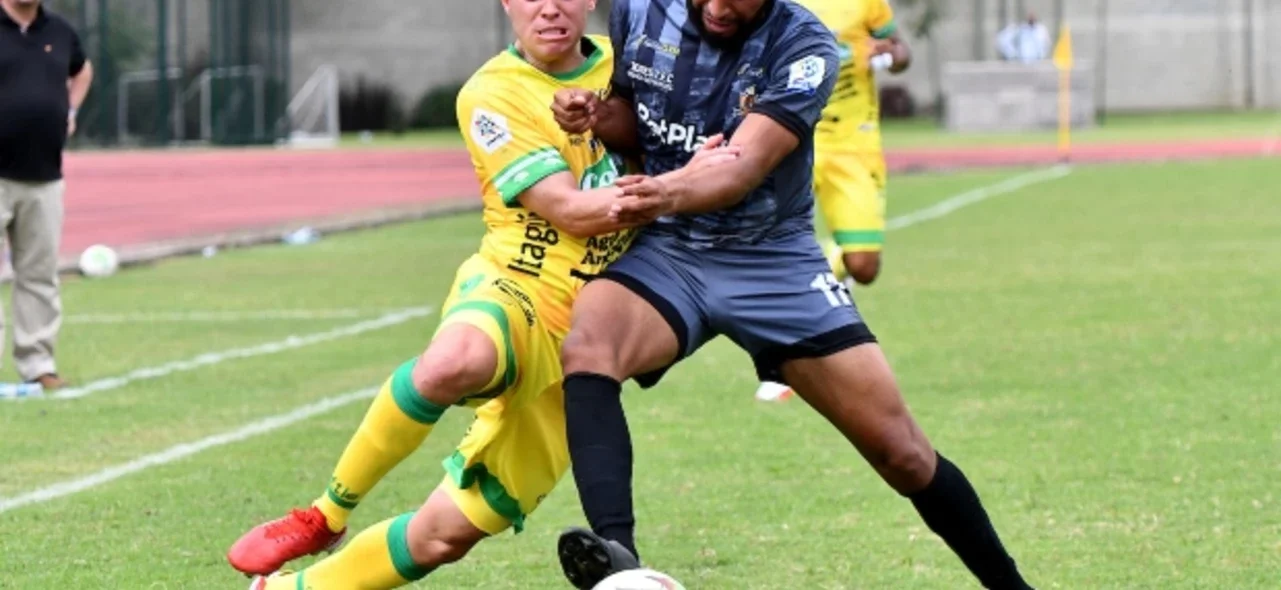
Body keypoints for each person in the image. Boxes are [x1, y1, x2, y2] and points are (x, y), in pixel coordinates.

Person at [227, 1, 737, 588]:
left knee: (442, 537)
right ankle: (324, 515)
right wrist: (681, 183)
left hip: (589, 343)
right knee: (455, 361)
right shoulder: (491, 94)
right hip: (514, 286)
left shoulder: (636, 67)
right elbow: (571, 211)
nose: (550, 8)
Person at [548, 1, 1035, 589]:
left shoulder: (805, 44)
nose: (722, 9)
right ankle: (619, 563)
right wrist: (599, 115)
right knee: (590, 342)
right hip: (673, 252)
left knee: (901, 453)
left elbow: (742, 167)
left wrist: (663, 190)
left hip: (772, 260)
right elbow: (636, 115)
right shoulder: (638, 11)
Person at [753, 0, 911, 403]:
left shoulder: (866, 3)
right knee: (770, 253)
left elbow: (901, 50)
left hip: (853, 146)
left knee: (864, 264)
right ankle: (779, 364)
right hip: (790, 139)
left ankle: (830, 265)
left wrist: (891, 54)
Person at [0, 0, 94, 391]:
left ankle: (38, 364)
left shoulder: (59, 31)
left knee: (39, 275)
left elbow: (82, 69)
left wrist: (69, 109)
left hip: (44, 175)